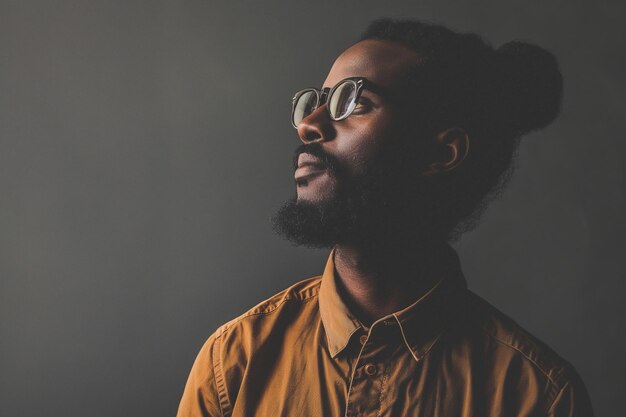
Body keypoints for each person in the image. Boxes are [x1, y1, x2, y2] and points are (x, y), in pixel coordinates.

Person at [177, 18, 594, 417]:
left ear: (440, 153)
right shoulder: (234, 361)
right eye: (317, 102)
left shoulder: (536, 395)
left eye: (352, 101)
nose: (308, 125)